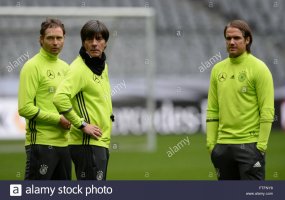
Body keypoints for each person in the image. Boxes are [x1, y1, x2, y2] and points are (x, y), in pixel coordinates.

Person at [206, 20, 274, 180]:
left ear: (247, 39)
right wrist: (211, 144)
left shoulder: (259, 68)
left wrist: (261, 146)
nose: (232, 42)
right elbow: (212, 109)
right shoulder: (217, 70)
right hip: (222, 147)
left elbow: (267, 109)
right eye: (228, 38)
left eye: (236, 38)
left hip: (250, 146)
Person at [53, 20, 114, 180]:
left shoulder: (102, 65)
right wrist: (82, 124)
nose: (94, 43)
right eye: (89, 39)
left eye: (99, 39)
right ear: (83, 42)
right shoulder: (78, 69)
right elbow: (59, 98)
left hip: (100, 142)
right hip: (86, 144)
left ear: (105, 43)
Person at [18, 18, 71, 180]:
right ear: (41, 40)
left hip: (65, 144)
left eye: (59, 38)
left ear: (64, 39)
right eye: (50, 38)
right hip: (41, 143)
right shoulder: (32, 66)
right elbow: (24, 108)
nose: (55, 42)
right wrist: (58, 119)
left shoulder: (66, 67)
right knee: (36, 193)